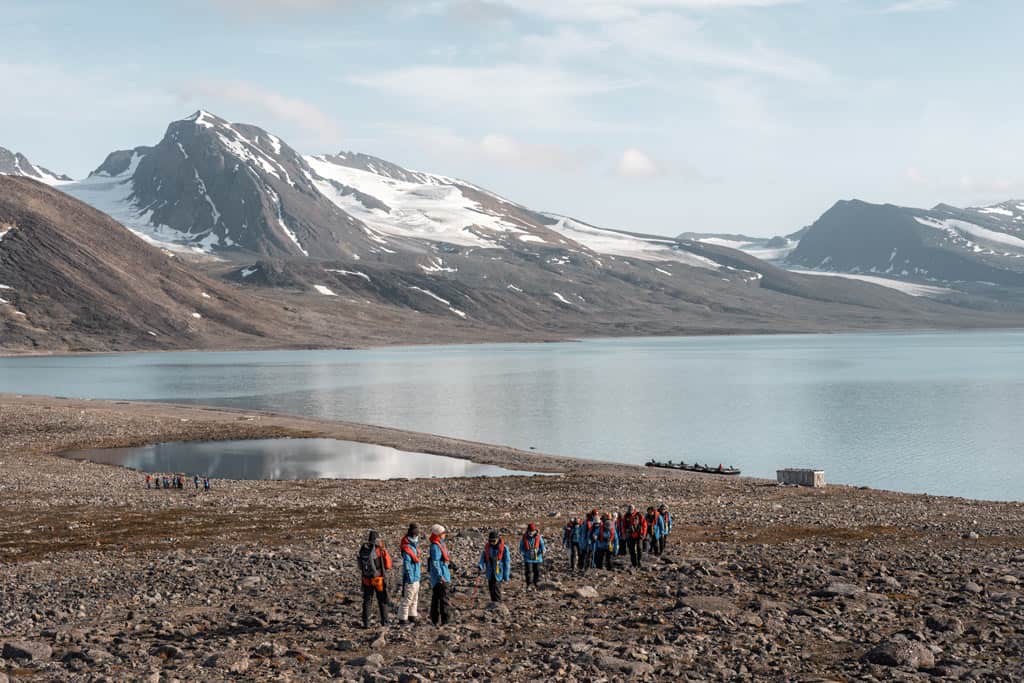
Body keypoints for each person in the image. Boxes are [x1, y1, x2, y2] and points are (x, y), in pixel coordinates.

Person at [357, 530, 393, 629]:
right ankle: (385, 622)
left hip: (366, 579)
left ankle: (366, 623)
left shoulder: (363, 550)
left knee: (367, 600)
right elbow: (388, 565)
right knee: (381, 600)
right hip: (378, 579)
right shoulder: (379, 550)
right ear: (377, 539)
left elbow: (360, 566)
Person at [428, 524, 452, 626]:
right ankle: (445, 621)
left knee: (437, 598)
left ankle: (435, 620)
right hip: (441, 577)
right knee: (443, 599)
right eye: (443, 533)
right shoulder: (435, 546)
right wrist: (440, 575)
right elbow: (435, 562)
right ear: (438, 534)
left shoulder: (439, 544)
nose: (445, 535)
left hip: (439, 576)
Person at [478, 530, 511, 602]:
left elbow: (507, 563)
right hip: (490, 572)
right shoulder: (487, 548)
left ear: (498, 539)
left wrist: (506, 576)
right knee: (491, 588)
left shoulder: (504, 548)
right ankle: (493, 603)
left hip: (498, 572)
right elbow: (483, 558)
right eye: (490, 541)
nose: (492, 542)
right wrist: (480, 566)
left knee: (496, 588)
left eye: (493, 541)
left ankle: (498, 603)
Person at [399, 524, 422, 624]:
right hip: (411, 578)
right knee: (407, 599)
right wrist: (410, 577)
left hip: (416, 576)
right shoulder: (407, 548)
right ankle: (402, 618)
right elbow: (407, 564)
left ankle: (412, 615)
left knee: (414, 598)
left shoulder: (413, 547)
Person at [519, 523, 546, 589]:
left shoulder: (539, 537)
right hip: (528, 557)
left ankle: (536, 583)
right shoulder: (524, 537)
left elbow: (542, 545)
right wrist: (522, 552)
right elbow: (521, 546)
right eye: (529, 531)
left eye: (532, 531)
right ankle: (529, 584)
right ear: (527, 530)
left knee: (537, 571)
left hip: (538, 557)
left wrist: (543, 550)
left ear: (535, 531)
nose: (531, 532)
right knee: (528, 571)